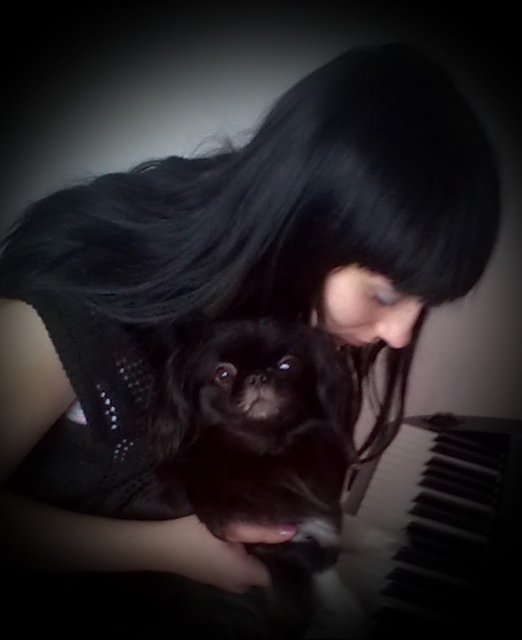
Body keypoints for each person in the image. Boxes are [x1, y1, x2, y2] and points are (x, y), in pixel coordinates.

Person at [0, 42, 499, 634]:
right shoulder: (73, 294)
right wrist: (166, 548)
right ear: (305, 225)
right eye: (386, 296)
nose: (398, 336)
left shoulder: (273, 292)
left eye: (424, 306)